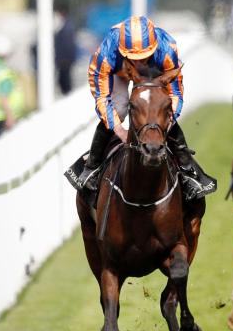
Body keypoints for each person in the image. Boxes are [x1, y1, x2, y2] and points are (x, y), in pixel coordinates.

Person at [65, 16, 217, 200]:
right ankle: (92, 168)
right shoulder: (107, 51)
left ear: (153, 47)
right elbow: (102, 96)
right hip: (119, 74)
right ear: (122, 50)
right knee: (120, 108)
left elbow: (175, 92)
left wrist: (168, 121)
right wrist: (119, 129)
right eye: (134, 57)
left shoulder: (167, 48)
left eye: (144, 56)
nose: (140, 61)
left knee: (159, 109)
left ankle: (188, 173)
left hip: (155, 74)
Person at [55, 10, 78, 94]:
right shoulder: (66, 27)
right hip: (65, 59)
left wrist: (64, 59)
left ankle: (67, 94)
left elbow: (66, 45)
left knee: (65, 79)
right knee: (63, 79)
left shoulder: (67, 28)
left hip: (65, 60)